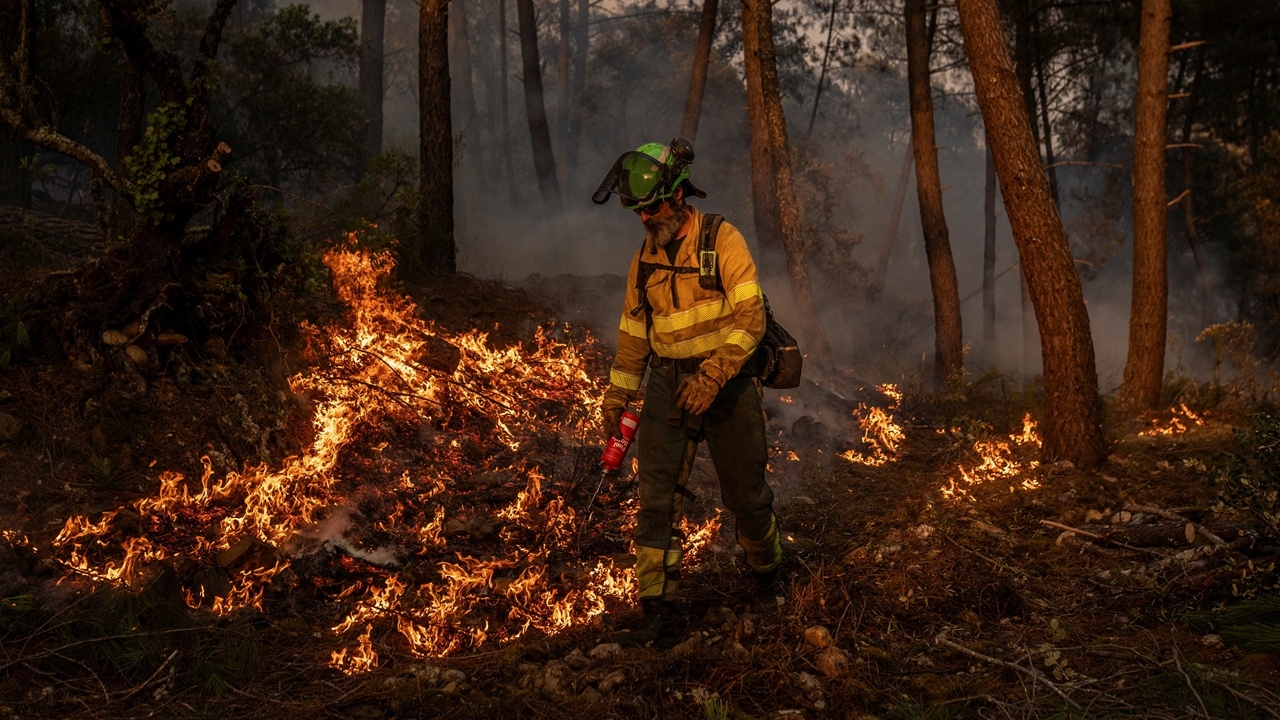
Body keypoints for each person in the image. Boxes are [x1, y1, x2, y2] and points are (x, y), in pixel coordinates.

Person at [591, 139, 784, 646]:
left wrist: (716, 373)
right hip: (667, 386)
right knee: (655, 501)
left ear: (677, 194)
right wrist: (616, 397)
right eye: (635, 209)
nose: (643, 218)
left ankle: (769, 577)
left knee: (746, 496)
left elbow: (751, 318)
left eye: (650, 206)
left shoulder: (722, 240)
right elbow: (634, 337)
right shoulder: (644, 260)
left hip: (727, 386)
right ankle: (658, 616)